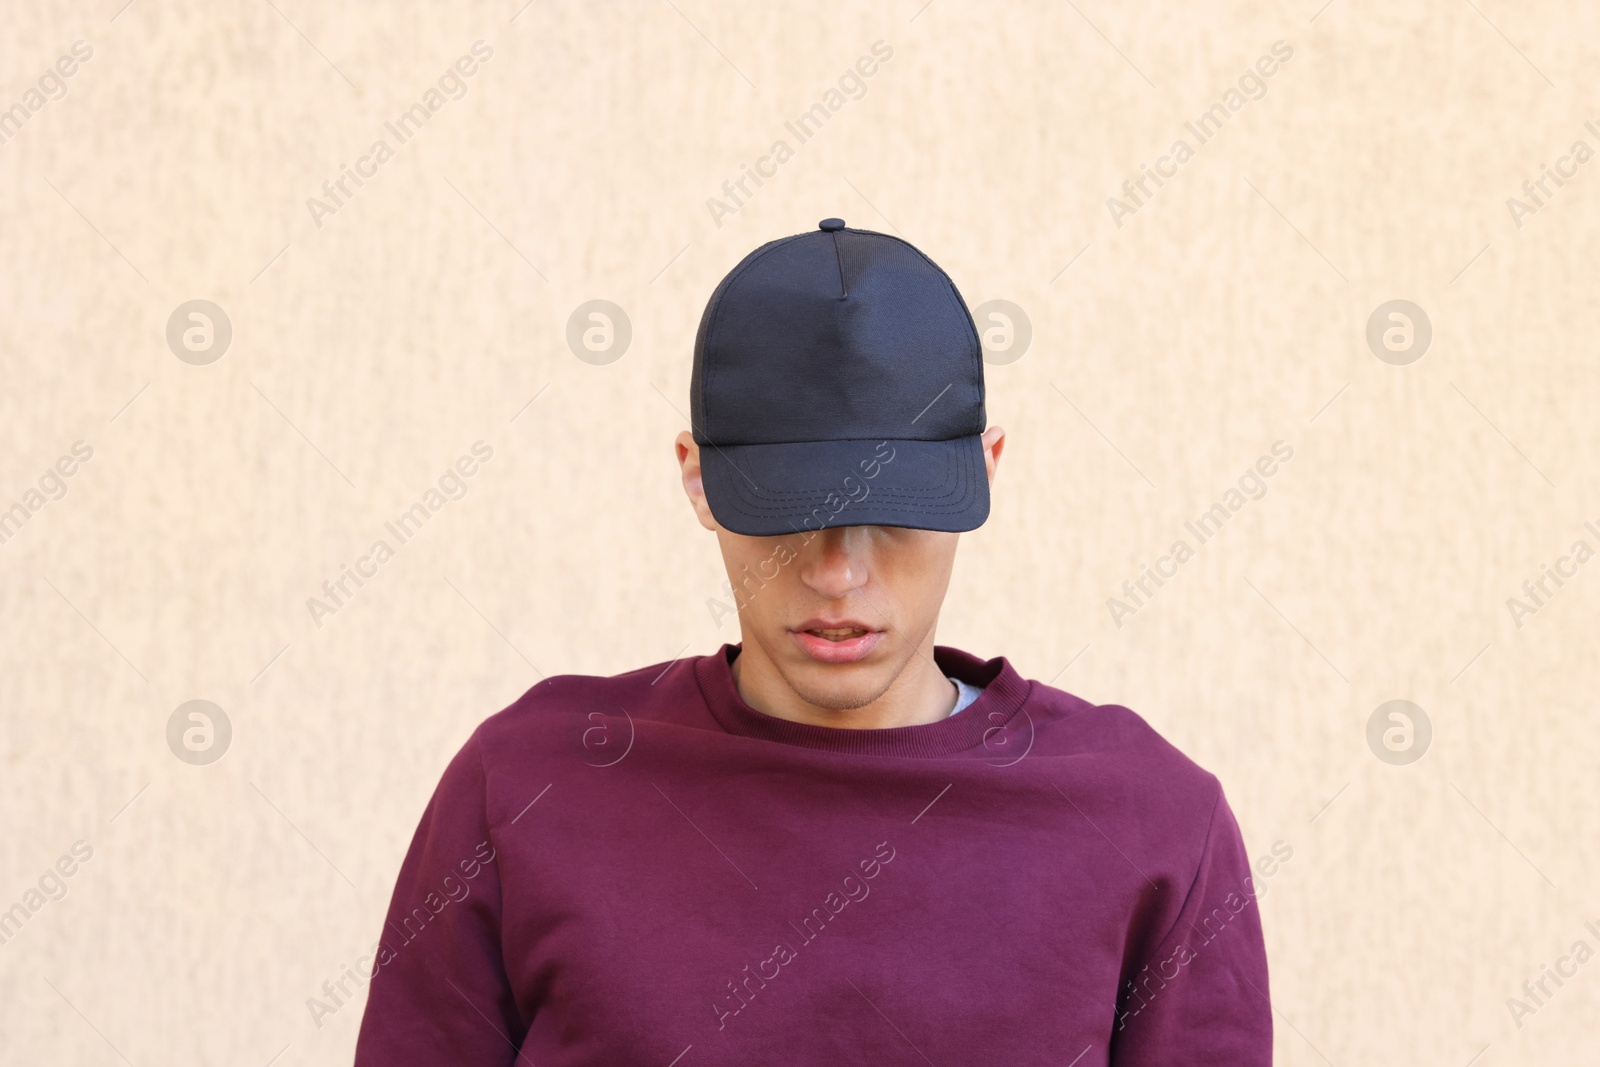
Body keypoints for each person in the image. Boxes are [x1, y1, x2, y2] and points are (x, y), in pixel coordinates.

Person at [352, 218, 1272, 1064]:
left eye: (895, 515)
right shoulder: (526, 785)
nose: (838, 574)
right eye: (788, 515)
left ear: (984, 470)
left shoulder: (1151, 822)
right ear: (697, 479)